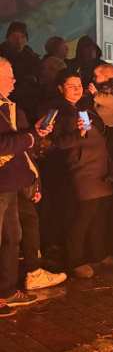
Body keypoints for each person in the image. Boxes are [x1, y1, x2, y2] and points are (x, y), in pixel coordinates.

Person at [0, 57, 54, 317]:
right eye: (9, 75)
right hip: (2, 184)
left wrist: (34, 134)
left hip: (11, 184)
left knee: (12, 237)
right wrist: (30, 136)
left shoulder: (7, 106)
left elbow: (18, 142)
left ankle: (7, 291)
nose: (14, 80)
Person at [48, 71, 113, 279]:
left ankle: (97, 254)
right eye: (71, 86)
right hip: (82, 172)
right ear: (60, 88)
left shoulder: (84, 108)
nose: (77, 89)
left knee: (98, 215)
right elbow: (58, 143)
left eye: (79, 85)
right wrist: (79, 135)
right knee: (82, 217)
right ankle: (75, 260)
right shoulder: (57, 112)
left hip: (99, 170)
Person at [1, 22, 41, 120]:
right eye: (14, 36)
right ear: (8, 38)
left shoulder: (32, 56)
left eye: (22, 37)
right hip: (9, 102)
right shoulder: (2, 56)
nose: (18, 40)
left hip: (31, 101)